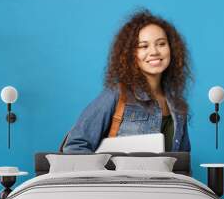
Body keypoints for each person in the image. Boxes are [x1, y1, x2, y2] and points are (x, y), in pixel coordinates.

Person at [62, 9, 192, 153]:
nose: (154, 51)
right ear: (130, 54)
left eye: (161, 44)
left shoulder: (178, 106)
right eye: (143, 46)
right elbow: (75, 145)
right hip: (118, 176)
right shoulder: (116, 95)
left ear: (172, 49)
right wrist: (106, 175)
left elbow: (182, 165)